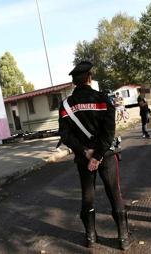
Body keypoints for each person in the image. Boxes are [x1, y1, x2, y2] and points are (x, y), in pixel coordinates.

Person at [58, 61, 132, 250]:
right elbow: (108, 134)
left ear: (74, 82)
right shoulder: (102, 99)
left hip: (83, 158)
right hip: (105, 156)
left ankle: (90, 237)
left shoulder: (66, 105)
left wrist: (85, 151)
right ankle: (123, 238)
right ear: (89, 78)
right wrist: (98, 156)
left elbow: (65, 135)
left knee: (87, 195)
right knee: (114, 194)